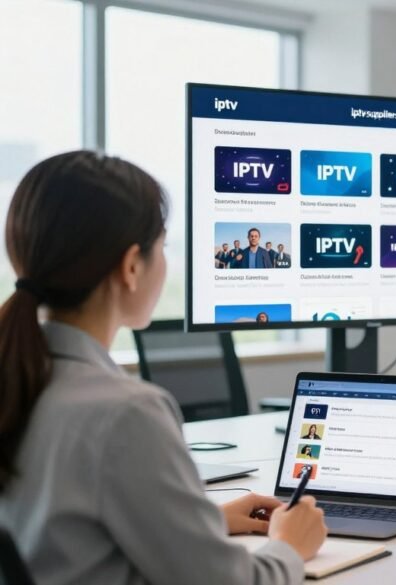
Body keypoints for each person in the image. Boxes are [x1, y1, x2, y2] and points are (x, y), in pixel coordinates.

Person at [0, 151, 327, 585]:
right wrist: (289, 545)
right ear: (132, 266)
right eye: (163, 247)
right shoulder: (125, 412)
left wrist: (200, 520)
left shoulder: (21, 378)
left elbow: (63, 530)